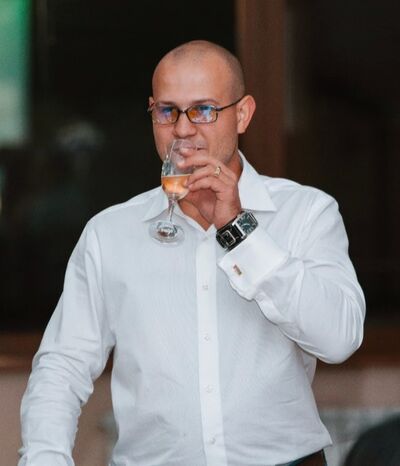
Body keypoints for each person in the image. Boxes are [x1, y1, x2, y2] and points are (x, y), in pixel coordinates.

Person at [18, 40, 365, 466]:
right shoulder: (109, 234)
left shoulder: (306, 212)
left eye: (203, 110)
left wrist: (239, 230)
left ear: (243, 114)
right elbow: (62, 366)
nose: (182, 130)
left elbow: (339, 339)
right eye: (167, 111)